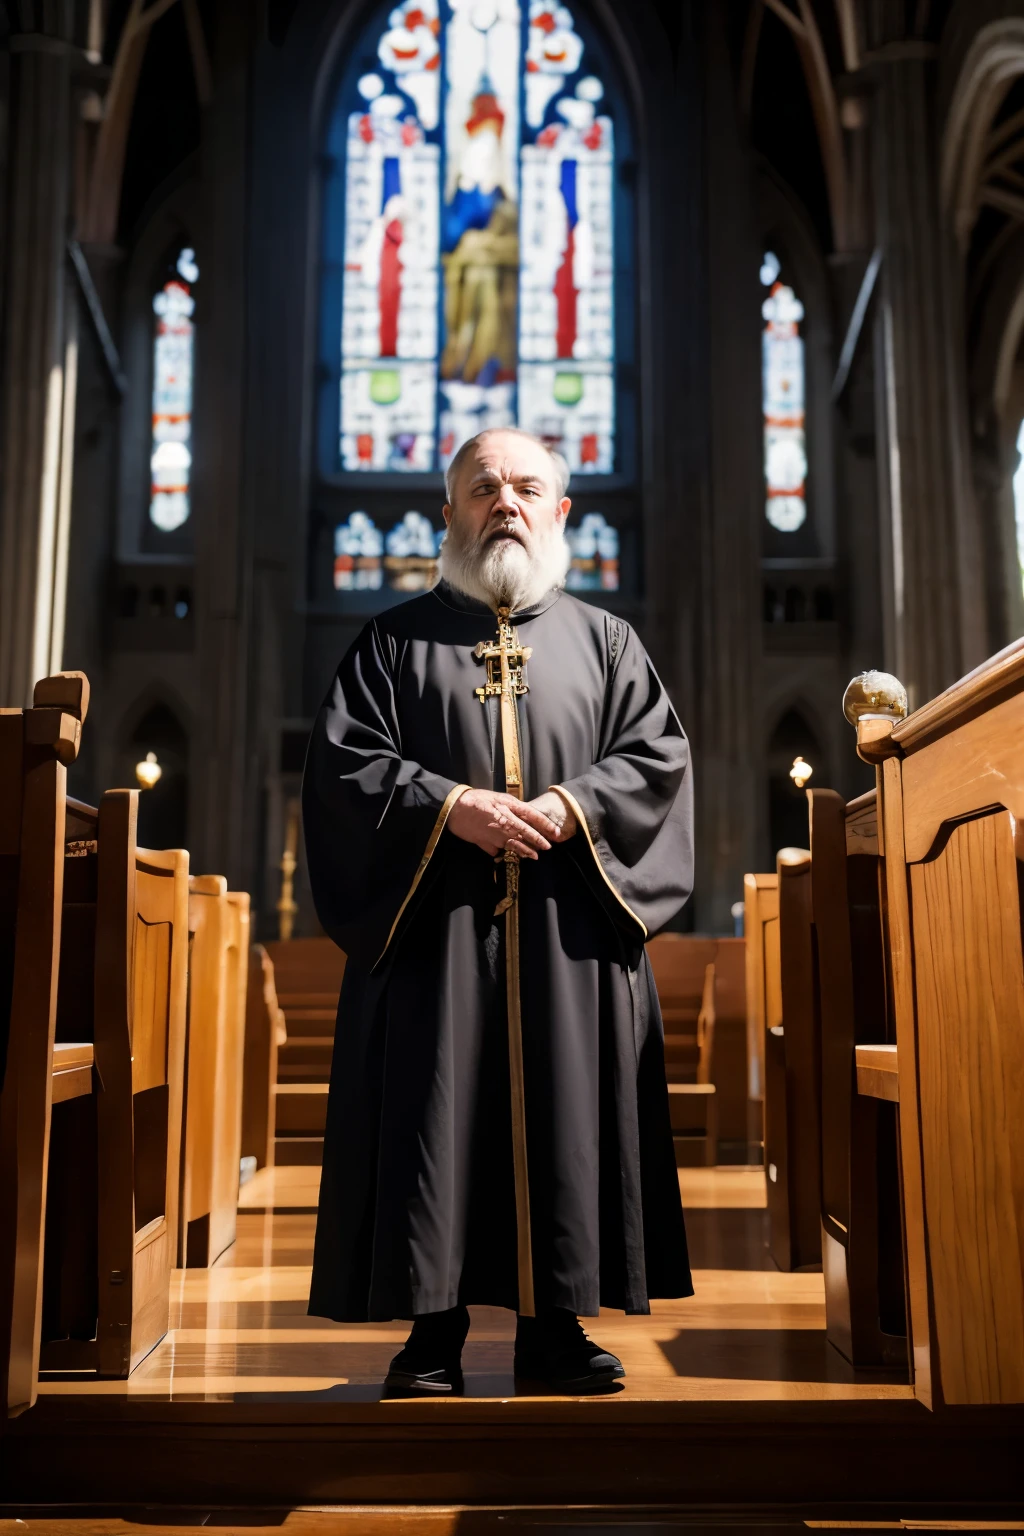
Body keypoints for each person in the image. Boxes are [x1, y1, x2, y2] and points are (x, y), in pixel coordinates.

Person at [303, 427, 693, 1395]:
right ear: (449, 514)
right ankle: (431, 1332)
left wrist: (574, 805)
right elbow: (343, 772)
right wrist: (448, 806)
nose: (504, 504)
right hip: (435, 944)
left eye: (526, 488)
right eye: (483, 489)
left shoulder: (609, 645)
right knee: (437, 1110)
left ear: (563, 512)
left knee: (562, 1112)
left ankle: (553, 1327)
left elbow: (657, 761)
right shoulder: (390, 644)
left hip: (565, 942)